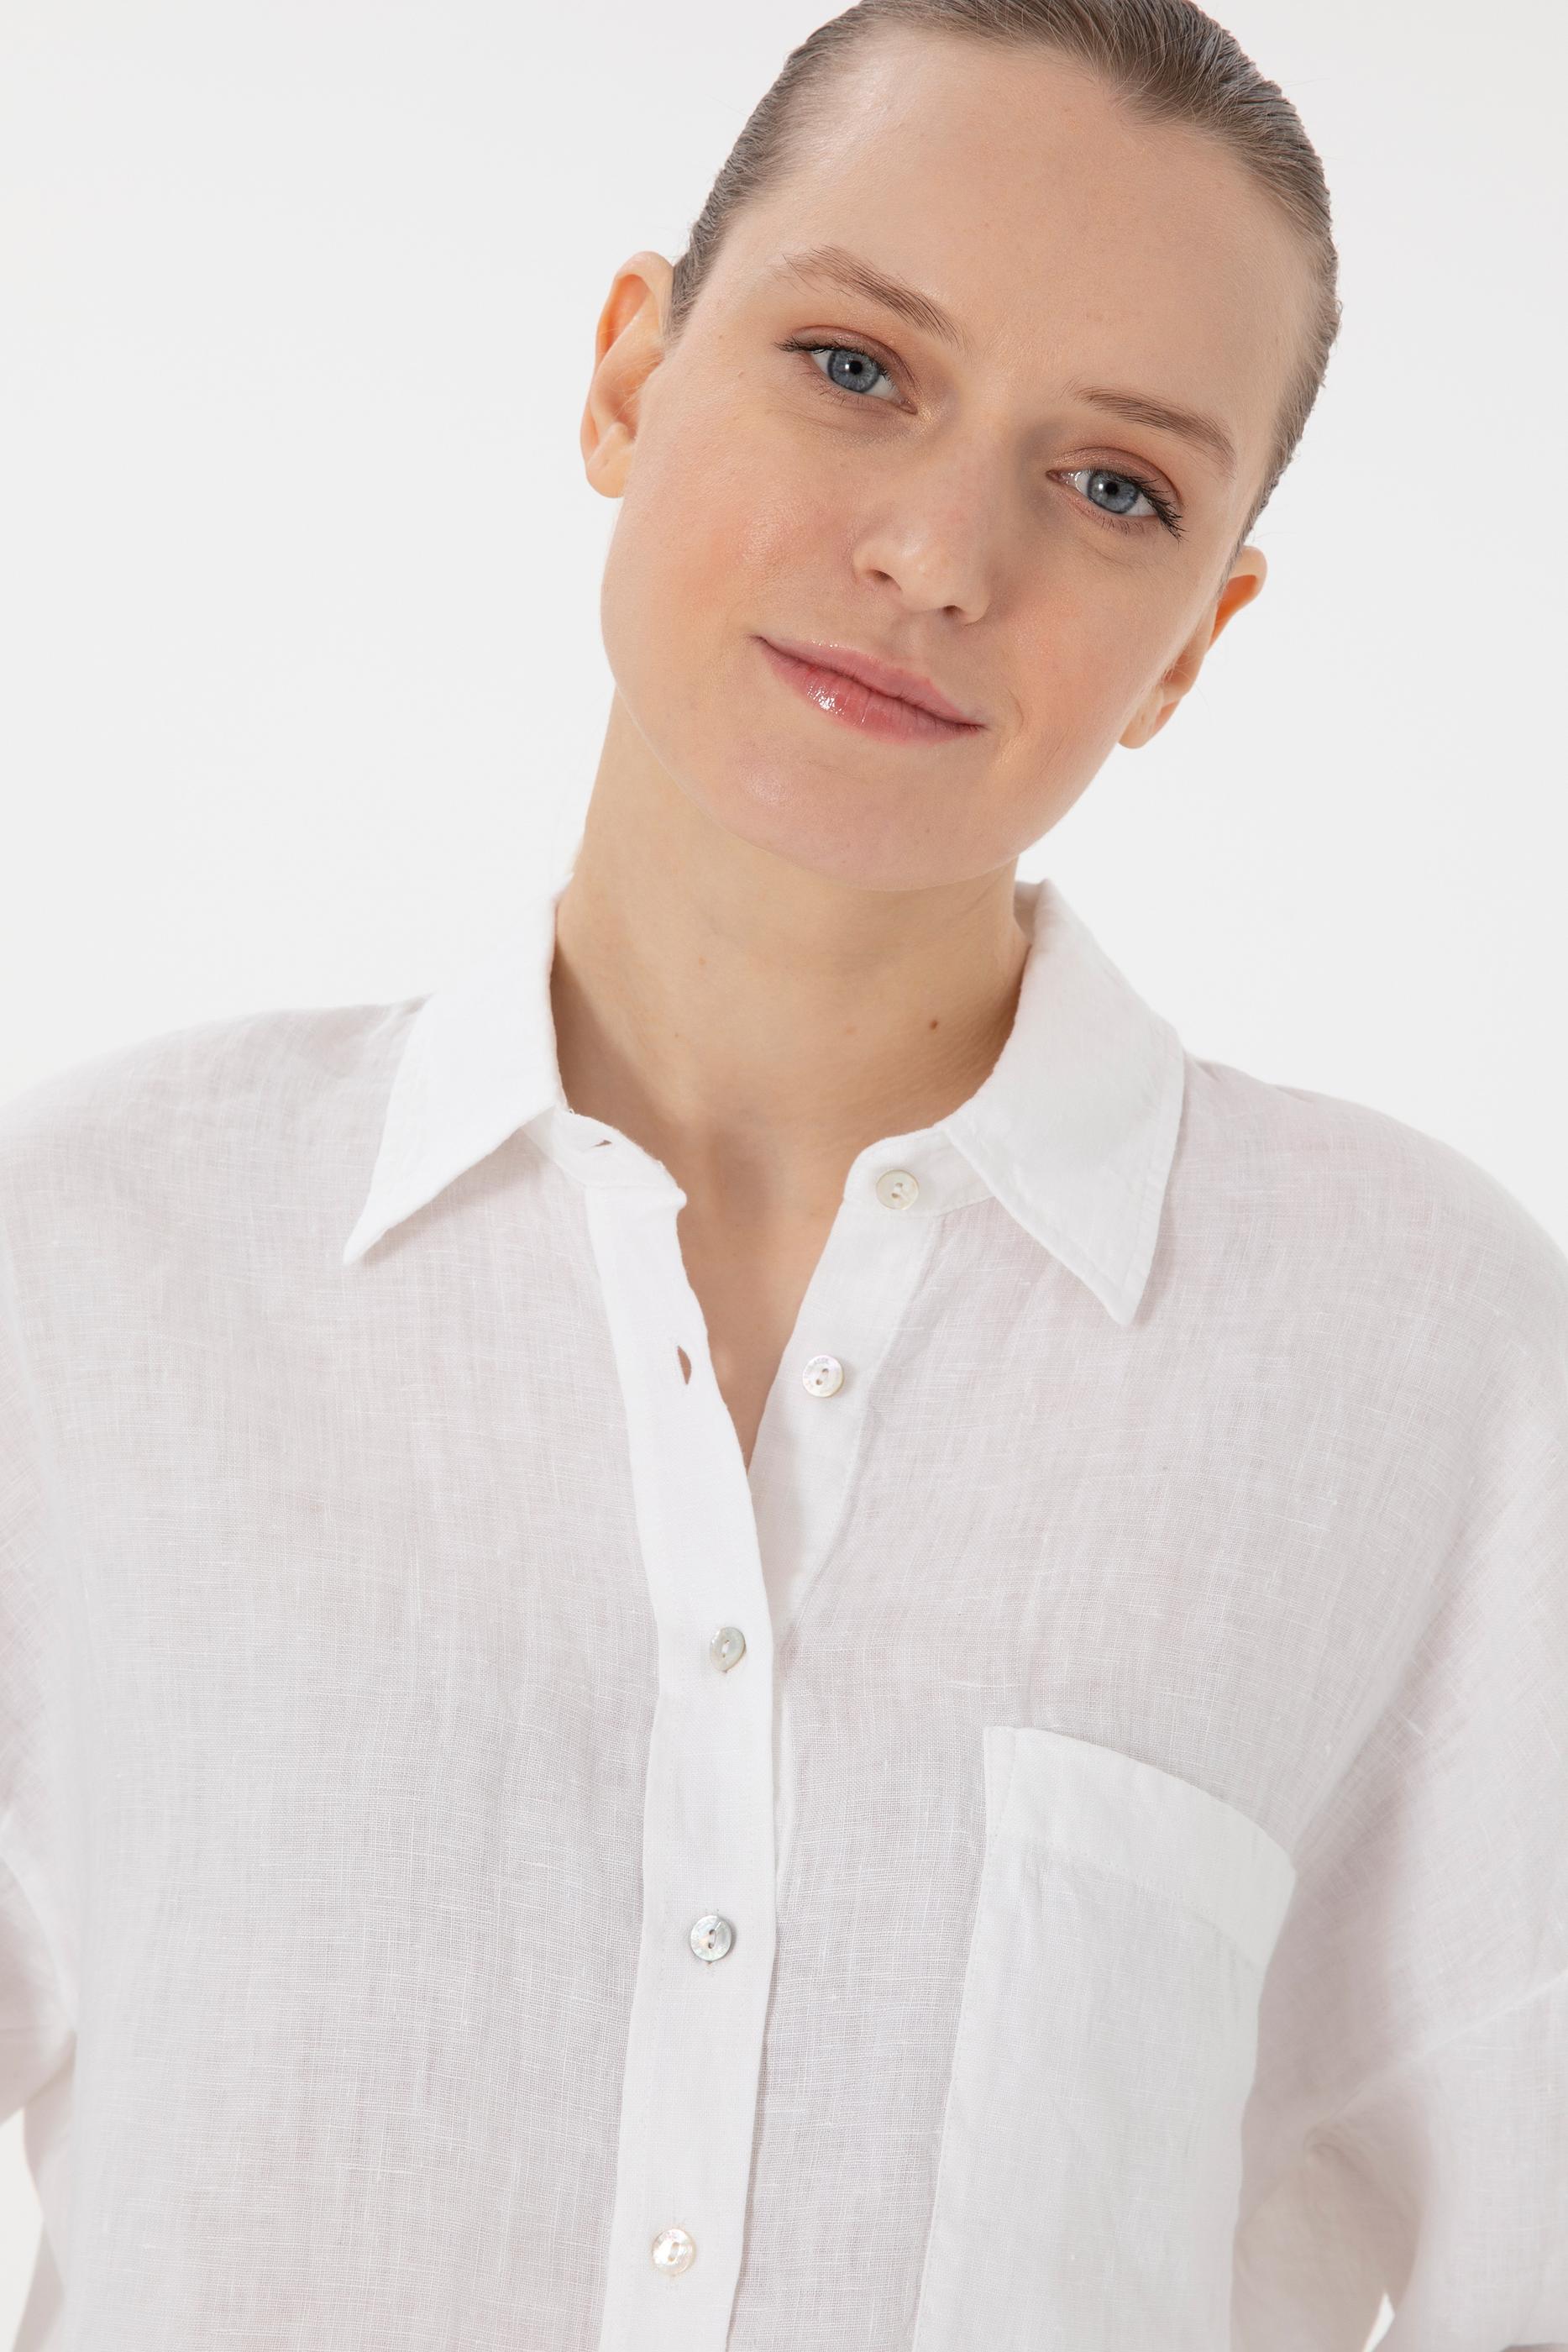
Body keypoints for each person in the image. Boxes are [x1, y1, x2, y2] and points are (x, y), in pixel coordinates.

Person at [2, 0, 1564, 2344]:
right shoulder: (93, 1261)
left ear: (1195, 638)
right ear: (628, 376)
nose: (939, 553)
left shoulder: (1427, 1366)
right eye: (855, 367)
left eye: (1116, 488)